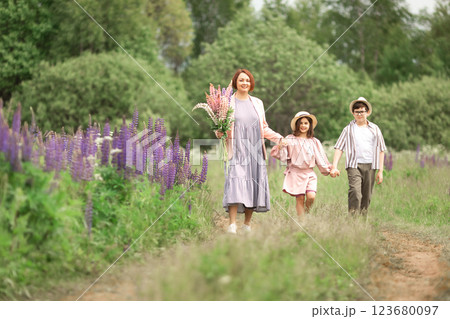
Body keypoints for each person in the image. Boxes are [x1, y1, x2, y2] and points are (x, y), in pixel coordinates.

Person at [215, 69, 284, 234]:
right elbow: (221, 127)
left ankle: (246, 225)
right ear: (235, 83)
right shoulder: (227, 102)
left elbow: (264, 128)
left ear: (251, 83)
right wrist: (218, 133)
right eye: (241, 80)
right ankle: (232, 225)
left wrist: (279, 138)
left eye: (247, 80)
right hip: (236, 150)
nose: (244, 83)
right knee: (234, 183)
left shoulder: (258, 103)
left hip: (255, 151)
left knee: (253, 185)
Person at [271, 111, 335, 217]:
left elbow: (321, 158)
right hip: (296, 173)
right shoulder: (290, 139)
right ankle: (302, 222)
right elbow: (281, 155)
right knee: (300, 198)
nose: (303, 125)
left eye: (306, 123)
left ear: (310, 125)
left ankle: (306, 212)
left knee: (311, 196)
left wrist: (330, 169)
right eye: (300, 123)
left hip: (309, 173)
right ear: (296, 125)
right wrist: (280, 146)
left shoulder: (314, 142)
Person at [330, 97, 387, 215]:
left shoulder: (375, 129)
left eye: (362, 111)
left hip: (371, 165)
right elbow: (339, 147)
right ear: (353, 113)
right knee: (355, 192)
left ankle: (362, 223)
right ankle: (353, 220)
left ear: (367, 112)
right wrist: (334, 166)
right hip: (354, 165)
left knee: (366, 196)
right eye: (357, 112)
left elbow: (381, 150)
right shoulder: (348, 130)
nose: (360, 114)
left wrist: (380, 171)